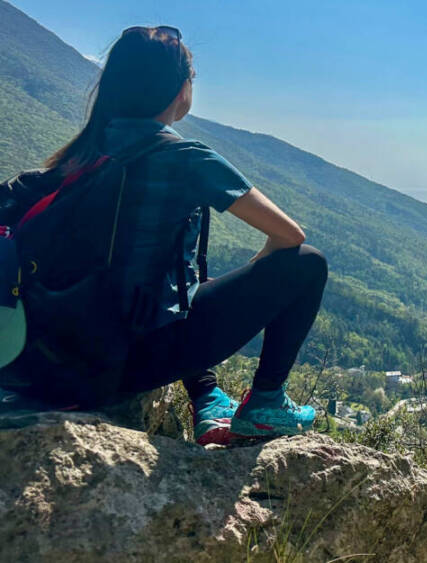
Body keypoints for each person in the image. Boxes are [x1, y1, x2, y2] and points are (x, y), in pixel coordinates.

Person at [0, 26, 328, 445]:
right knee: (308, 263)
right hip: (126, 365)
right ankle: (266, 403)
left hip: (42, 362)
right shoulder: (186, 158)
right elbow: (289, 235)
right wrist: (256, 266)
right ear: (180, 90)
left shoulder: (81, 156)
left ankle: (207, 397)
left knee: (178, 285)